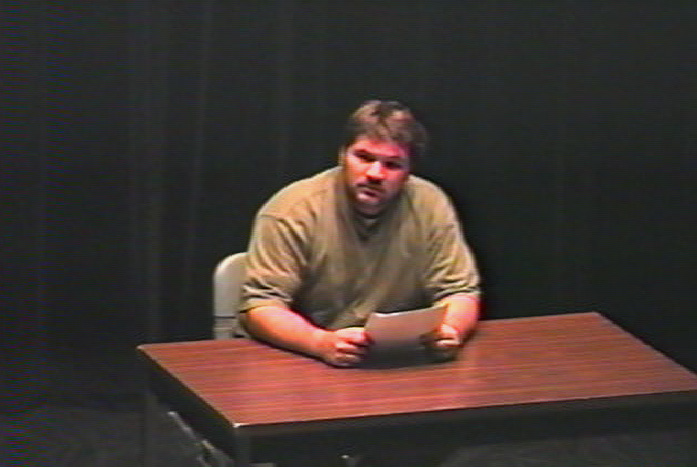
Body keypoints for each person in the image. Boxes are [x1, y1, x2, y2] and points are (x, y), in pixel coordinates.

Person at [239, 99, 480, 369]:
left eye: (392, 165)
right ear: (342, 155)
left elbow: (460, 292)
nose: (375, 174)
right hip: (303, 359)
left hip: (398, 360)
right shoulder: (291, 210)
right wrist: (319, 342)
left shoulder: (430, 203)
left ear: (408, 172)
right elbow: (261, 307)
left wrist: (450, 330)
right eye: (364, 158)